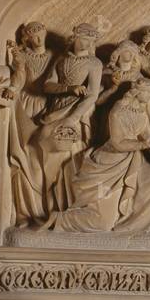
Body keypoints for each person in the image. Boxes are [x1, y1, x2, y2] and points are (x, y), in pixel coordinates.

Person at [45, 79, 150, 233]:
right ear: (137, 92)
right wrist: (145, 144)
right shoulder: (118, 110)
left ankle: (138, 222)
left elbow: (147, 136)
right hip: (112, 160)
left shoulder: (141, 111)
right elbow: (117, 143)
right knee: (103, 223)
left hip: (135, 157)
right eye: (148, 92)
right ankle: (60, 219)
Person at [33, 23, 103, 211]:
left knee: (72, 155)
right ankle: (48, 201)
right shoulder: (61, 59)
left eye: (89, 41)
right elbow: (47, 85)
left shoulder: (94, 63)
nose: (86, 44)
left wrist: (73, 118)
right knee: (44, 147)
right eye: (82, 39)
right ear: (74, 38)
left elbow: (93, 94)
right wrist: (68, 88)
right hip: (56, 107)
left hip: (78, 111)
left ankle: (70, 203)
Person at [6, 22, 52, 224]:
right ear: (28, 39)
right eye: (34, 37)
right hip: (26, 105)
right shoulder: (22, 56)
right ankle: (28, 208)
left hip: (49, 105)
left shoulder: (54, 56)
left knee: (46, 155)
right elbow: (20, 75)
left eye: (41, 35)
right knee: (26, 150)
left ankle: (49, 206)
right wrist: (14, 89)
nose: (39, 39)